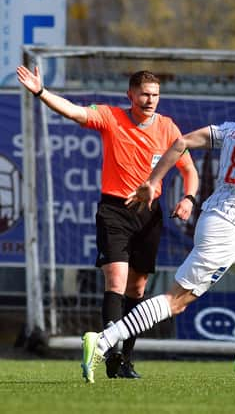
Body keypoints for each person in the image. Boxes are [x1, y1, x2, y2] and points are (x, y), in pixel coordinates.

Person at [79, 76, 235, 384]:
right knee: (176, 301)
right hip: (228, 228)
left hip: (225, 223)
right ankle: (103, 341)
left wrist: (153, 181)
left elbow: (181, 142)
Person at [16, 66, 199, 379]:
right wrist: (41, 91)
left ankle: (125, 360)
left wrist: (188, 199)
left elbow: (189, 171)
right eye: (144, 94)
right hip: (114, 210)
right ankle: (110, 352)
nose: (150, 100)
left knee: (137, 289)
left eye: (155, 95)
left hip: (149, 214)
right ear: (130, 95)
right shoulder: (111, 117)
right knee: (116, 280)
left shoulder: (168, 128)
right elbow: (74, 112)